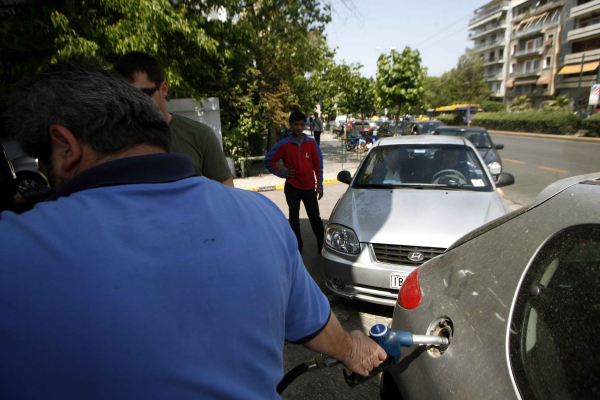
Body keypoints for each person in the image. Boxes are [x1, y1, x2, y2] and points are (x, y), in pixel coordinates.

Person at [0, 62, 386, 398]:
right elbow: (313, 322)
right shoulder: (261, 216)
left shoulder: (15, 250)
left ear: (64, 146)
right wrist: (353, 350)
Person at [114, 52, 234, 187]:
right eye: (124, 97)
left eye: (142, 94)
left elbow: (226, 195)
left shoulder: (200, 136)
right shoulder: (109, 143)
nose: (133, 103)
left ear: (163, 89)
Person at [264, 111, 325, 255]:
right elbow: (268, 160)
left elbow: (318, 165)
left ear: (305, 125)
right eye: (296, 124)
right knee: (294, 221)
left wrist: (320, 185)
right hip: (292, 188)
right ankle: (298, 249)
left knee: (315, 219)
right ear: (290, 125)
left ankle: (322, 247)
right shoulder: (284, 144)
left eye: (302, 124)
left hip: (309, 187)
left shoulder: (311, 143)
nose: (299, 127)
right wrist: (282, 173)